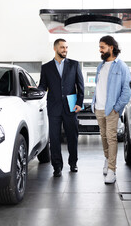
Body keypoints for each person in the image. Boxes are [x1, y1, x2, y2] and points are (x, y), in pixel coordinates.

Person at [38, 38, 84, 177]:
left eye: (66, 47)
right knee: (54, 138)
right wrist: (36, 90)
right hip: (53, 107)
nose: (65, 50)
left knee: (72, 137)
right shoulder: (46, 67)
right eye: (62, 47)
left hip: (71, 106)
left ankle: (73, 163)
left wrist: (79, 103)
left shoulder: (74, 65)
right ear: (55, 48)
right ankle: (57, 166)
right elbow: (43, 86)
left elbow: (80, 86)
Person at [92, 35, 131, 184]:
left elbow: (127, 90)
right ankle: (107, 159)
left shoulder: (121, 66)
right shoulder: (100, 66)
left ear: (111, 47)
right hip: (99, 108)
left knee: (111, 138)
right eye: (100, 47)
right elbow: (99, 87)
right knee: (103, 137)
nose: (100, 50)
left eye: (102, 47)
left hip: (111, 110)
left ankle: (112, 170)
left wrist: (117, 108)